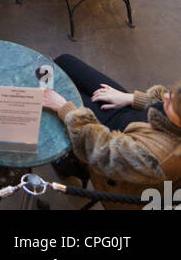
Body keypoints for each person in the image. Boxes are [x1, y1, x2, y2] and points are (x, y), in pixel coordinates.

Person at [42, 60, 181, 203]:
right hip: (133, 117)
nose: (165, 97)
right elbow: (168, 100)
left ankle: (76, 165)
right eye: (172, 93)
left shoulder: (159, 158)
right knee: (64, 63)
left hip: (116, 146)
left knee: (54, 89)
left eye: (171, 103)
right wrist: (131, 98)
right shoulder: (174, 112)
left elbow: (103, 151)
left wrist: (65, 109)